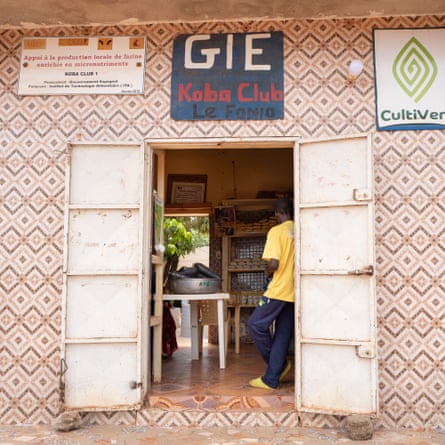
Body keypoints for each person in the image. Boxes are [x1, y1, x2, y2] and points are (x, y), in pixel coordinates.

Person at [247, 197, 295, 389]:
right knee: (282, 333)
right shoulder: (300, 229)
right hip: (294, 291)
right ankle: (272, 378)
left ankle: (278, 366)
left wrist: (267, 271)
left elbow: (274, 263)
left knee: (255, 325)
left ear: (277, 212)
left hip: (278, 289)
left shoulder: (276, 231)